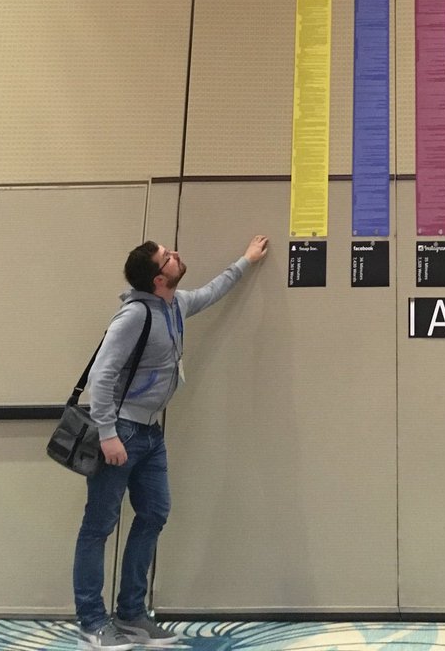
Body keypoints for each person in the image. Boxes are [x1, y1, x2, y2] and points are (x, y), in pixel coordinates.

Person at [72, 233, 269, 649]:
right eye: (168, 257)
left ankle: (131, 615)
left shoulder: (175, 304)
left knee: (155, 514)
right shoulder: (134, 316)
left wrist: (246, 260)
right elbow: (101, 376)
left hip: (150, 435)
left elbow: (211, 292)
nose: (176, 255)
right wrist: (107, 434)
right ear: (158, 278)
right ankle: (91, 622)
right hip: (122, 431)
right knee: (98, 527)